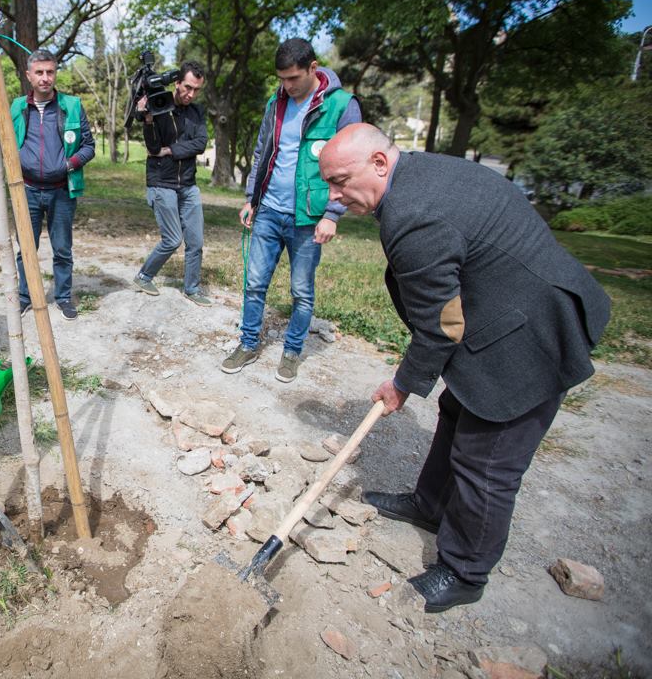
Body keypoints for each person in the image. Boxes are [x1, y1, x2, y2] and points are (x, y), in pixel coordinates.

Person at [317, 123, 611, 613]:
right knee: (458, 409)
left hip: (531, 336)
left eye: (341, 181)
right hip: (506, 309)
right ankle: (429, 505)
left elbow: (441, 325)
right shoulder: (422, 173)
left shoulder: (412, 215)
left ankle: (465, 571)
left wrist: (403, 384)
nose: (335, 195)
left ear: (379, 163)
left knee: (487, 461)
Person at [221, 39, 362, 381]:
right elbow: (262, 152)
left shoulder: (342, 106)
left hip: (308, 217)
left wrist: (332, 214)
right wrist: (252, 198)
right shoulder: (276, 102)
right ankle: (248, 343)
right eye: (282, 79)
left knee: (301, 291)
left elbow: (353, 165)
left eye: (293, 78)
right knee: (254, 283)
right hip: (269, 210)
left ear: (313, 68)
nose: (287, 85)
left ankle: (292, 351)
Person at [11, 49, 95, 321]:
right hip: (26, 190)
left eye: (50, 72)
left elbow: (88, 146)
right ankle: (26, 297)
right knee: (26, 249)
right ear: (29, 75)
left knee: (62, 248)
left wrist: (68, 165)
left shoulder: (72, 105)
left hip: (61, 190)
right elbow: (5, 141)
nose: (45, 78)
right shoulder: (16, 107)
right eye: (39, 72)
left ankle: (63, 297)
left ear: (55, 73)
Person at [130, 60, 211, 305]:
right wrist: (148, 120)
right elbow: (154, 148)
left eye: (196, 90)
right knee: (173, 239)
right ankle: (144, 276)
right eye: (188, 87)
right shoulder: (159, 105)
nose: (191, 94)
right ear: (177, 82)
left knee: (196, 241)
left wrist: (172, 150)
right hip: (161, 183)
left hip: (188, 184)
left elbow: (201, 143)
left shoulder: (197, 112)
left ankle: (192, 289)